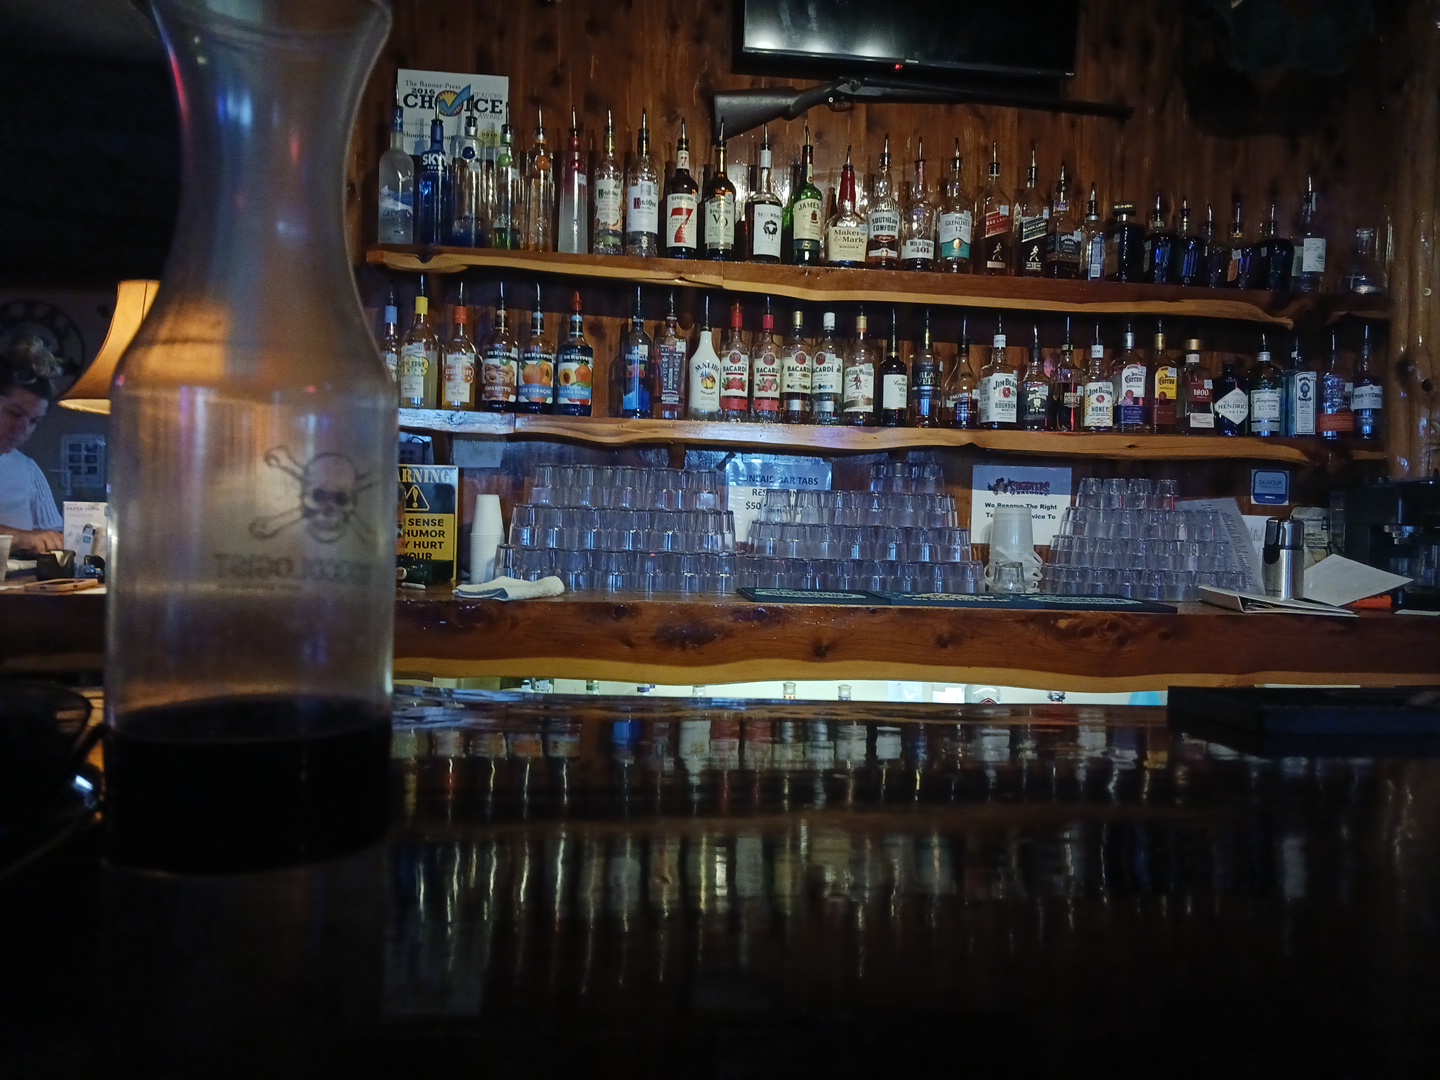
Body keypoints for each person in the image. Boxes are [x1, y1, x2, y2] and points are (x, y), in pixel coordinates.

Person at [0, 335, 65, 555]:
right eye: (14, 413)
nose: (23, 429)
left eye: (34, 421)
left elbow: (52, 534)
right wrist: (20, 538)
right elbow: (28, 538)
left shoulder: (27, 469)